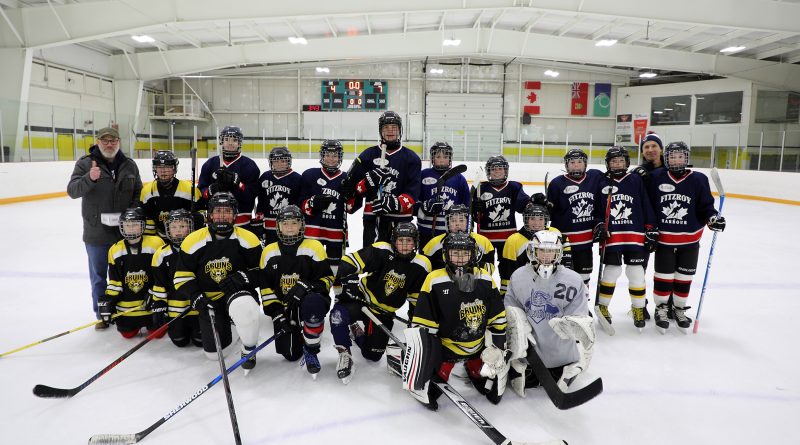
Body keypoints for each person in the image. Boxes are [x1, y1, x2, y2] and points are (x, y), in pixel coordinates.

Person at [403, 232, 508, 410]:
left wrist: (498, 348)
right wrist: (426, 360)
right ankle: (444, 367)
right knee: (430, 390)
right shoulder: (434, 279)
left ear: (474, 254)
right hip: (446, 348)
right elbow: (423, 324)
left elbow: (497, 318)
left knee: (493, 391)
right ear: (446, 254)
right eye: (455, 253)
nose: (460, 258)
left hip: (478, 347)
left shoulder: (486, 279)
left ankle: (473, 364)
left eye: (465, 253)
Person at [329, 222, 431, 384]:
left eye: (409, 241)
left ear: (415, 242)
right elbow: (352, 261)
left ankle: (357, 331)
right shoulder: (382, 250)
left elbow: (416, 301)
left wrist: (415, 327)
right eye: (400, 240)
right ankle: (344, 353)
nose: (404, 245)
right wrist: (343, 280)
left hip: (384, 312)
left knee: (373, 355)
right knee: (337, 315)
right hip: (362, 300)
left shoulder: (422, 265)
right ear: (393, 241)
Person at [173, 192, 264, 368]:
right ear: (210, 214)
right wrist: (197, 297)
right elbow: (182, 276)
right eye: (218, 211)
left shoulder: (248, 239)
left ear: (235, 215)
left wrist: (244, 277)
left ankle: (248, 345)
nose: (222, 216)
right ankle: (231, 324)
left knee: (244, 307)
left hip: (238, 295)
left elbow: (262, 273)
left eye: (227, 211)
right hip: (209, 300)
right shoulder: (193, 240)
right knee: (213, 355)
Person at [67, 126, 143, 330]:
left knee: (125, 274)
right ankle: (102, 314)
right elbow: (72, 191)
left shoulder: (129, 165)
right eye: (105, 141)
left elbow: (138, 191)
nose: (109, 144)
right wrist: (89, 178)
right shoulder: (85, 164)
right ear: (98, 142)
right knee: (99, 276)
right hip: (96, 232)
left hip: (125, 232)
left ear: (119, 142)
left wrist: (133, 212)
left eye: (113, 141)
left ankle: (124, 310)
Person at [503, 230, 595, 396]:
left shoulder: (573, 279)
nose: (546, 256)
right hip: (530, 357)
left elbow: (580, 318)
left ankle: (570, 368)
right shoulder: (518, 276)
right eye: (542, 250)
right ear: (533, 251)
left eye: (551, 251)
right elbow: (511, 312)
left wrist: (569, 325)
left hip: (562, 357)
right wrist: (520, 332)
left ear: (558, 253)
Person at [648, 142, 726, 333]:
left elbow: (706, 206)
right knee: (663, 277)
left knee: (684, 277)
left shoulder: (698, 179)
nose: (676, 160)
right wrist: (650, 227)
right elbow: (648, 205)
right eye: (672, 156)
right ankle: (661, 309)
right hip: (665, 241)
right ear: (666, 159)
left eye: (680, 156)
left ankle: (680, 308)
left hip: (690, 241)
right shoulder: (656, 177)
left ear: (686, 158)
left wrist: (712, 218)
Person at [259, 205, 333, 378]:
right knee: (291, 354)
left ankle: (311, 348)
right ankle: (298, 328)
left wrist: (307, 286)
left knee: (313, 304)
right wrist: (277, 314)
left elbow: (327, 280)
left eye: (294, 223)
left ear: (302, 225)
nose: (290, 227)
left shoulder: (314, 247)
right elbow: (265, 287)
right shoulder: (269, 251)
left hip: (308, 302)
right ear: (278, 226)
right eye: (285, 223)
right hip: (283, 307)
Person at [592, 146, 657, 332]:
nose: (617, 164)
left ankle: (638, 308)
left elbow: (645, 204)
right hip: (612, 236)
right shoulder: (602, 182)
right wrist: (598, 226)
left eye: (621, 161)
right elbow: (596, 210)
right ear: (608, 164)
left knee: (636, 272)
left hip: (634, 234)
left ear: (627, 163)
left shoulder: (635, 180)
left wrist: (650, 228)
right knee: (611, 271)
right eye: (614, 161)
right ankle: (603, 307)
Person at [340, 111, 421, 246]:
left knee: (400, 260)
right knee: (372, 259)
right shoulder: (368, 155)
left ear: (400, 130)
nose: (390, 131)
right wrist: (368, 182)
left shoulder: (412, 158)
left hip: (401, 221)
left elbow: (414, 190)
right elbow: (352, 188)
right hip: (373, 217)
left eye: (394, 127)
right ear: (380, 131)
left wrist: (395, 203)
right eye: (386, 127)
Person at [98, 207, 166, 338]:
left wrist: (156, 295)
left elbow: (162, 276)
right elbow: (115, 281)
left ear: (143, 225)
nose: (131, 228)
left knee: (157, 334)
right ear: (121, 226)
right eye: (127, 225)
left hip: (150, 307)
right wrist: (109, 300)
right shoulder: (115, 249)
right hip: (127, 310)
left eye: (135, 224)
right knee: (127, 334)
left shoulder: (156, 243)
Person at [546, 148, 605, 286]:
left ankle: (582, 306)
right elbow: (550, 212)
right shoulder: (557, 183)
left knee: (584, 277)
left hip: (585, 241)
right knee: (562, 276)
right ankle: (563, 306)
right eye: (572, 162)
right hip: (564, 242)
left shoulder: (595, 177)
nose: (576, 165)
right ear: (566, 165)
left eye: (579, 162)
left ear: (585, 164)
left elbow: (614, 178)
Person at [147, 209, 202, 348]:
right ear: (168, 229)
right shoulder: (161, 254)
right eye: (174, 227)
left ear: (190, 227)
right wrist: (159, 303)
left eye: (182, 226)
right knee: (180, 341)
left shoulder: (199, 249)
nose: (178, 231)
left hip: (197, 306)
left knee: (200, 341)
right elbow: (159, 283)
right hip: (175, 309)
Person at [499, 201, 573, 296]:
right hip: (525, 289)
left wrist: (566, 265)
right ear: (526, 220)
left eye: (541, 219)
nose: (537, 223)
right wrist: (506, 296)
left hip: (552, 288)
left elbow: (565, 244)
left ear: (546, 220)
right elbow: (507, 273)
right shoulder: (513, 240)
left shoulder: (555, 234)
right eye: (532, 218)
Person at [299, 140, 348, 275]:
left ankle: (337, 295)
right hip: (314, 230)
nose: (331, 159)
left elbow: (351, 207)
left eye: (334, 155)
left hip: (335, 231)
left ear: (340, 157)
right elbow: (301, 202)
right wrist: (311, 204)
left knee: (335, 269)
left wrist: (352, 195)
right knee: (310, 265)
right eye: (327, 155)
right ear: (322, 156)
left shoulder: (345, 178)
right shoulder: (309, 175)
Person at [197, 126, 260, 227]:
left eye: (234, 140)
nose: (230, 143)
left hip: (241, 222)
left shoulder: (249, 165)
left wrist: (238, 184)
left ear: (239, 143)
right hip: (215, 221)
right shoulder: (210, 164)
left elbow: (252, 195)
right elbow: (200, 192)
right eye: (226, 139)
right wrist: (210, 190)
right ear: (222, 141)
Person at [471, 155, 529, 257]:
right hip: (486, 239)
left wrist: (533, 201)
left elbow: (523, 207)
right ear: (488, 172)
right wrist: (475, 210)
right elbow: (476, 218)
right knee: (485, 268)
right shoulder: (480, 188)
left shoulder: (514, 187)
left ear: (505, 171)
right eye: (493, 169)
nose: (497, 171)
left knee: (507, 269)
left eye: (500, 168)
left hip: (509, 239)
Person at [140, 150, 204, 243]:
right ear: (155, 168)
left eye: (168, 166)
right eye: (159, 167)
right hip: (160, 240)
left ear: (174, 168)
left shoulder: (189, 190)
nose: (163, 171)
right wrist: (153, 241)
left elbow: (201, 216)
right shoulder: (147, 191)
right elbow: (147, 218)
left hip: (185, 239)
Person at [415, 142, 470, 247]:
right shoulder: (423, 175)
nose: (441, 159)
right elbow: (414, 200)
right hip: (426, 229)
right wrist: (424, 207)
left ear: (450, 159)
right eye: (438, 156)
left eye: (445, 156)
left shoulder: (458, 178)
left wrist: (465, 227)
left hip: (452, 230)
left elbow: (466, 204)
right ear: (432, 158)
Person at [422, 204, 495, 275]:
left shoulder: (483, 242)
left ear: (468, 222)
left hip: (473, 284)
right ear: (447, 222)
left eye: (461, 220)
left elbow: (489, 269)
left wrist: (471, 267)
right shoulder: (434, 243)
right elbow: (425, 269)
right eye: (453, 221)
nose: (457, 224)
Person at [254, 146, 303, 245]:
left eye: (283, 160)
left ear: (288, 161)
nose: (279, 164)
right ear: (271, 162)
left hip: (289, 225)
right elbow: (261, 200)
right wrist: (259, 219)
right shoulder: (265, 177)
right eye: (276, 161)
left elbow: (299, 203)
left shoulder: (297, 179)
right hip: (269, 225)